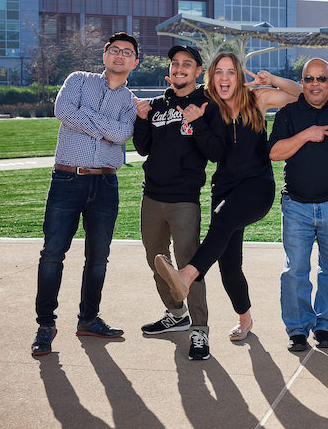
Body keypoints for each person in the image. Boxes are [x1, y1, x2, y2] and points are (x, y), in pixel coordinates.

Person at [154, 52, 302, 341]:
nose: (225, 78)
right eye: (219, 72)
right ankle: (245, 319)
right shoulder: (208, 106)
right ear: (212, 76)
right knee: (229, 266)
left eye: (231, 72)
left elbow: (299, 94)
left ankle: (186, 276)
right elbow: (214, 154)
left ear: (238, 76)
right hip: (224, 188)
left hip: (257, 185)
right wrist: (195, 122)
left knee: (221, 222)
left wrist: (271, 79)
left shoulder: (258, 98)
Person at [32, 32, 139, 356]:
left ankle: (89, 319)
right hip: (67, 179)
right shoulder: (78, 80)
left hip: (105, 185)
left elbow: (122, 135)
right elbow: (62, 110)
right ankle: (45, 325)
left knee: (98, 258)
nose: (120, 56)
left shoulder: (130, 101)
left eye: (127, 53)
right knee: (53, 253)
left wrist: (89, 120)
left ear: (135, 62)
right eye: (115, 50)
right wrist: (103, 127)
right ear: (105, 55)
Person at [133, 45, 226, 360]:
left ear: (198, 71)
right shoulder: (158, 105)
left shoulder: (208, 104)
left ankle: (200, 329)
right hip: (152, 197)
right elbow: (143, 148)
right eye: (175, 63)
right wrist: (142, 119)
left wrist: (198, 122)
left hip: (185, 199)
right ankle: (176, 313)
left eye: (187, 64)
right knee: (155, 259)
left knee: (189, 265)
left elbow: (216, 152)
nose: (180, 68)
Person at [267, 58, 328, 352]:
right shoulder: (289, 114)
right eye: (309, 79)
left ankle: (324, 325)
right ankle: (297, 328)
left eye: (321, 79)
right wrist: (307, 134)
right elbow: (274, 153)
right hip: (296, 206)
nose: (315, 84)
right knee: (295, 270)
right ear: (302, 82)